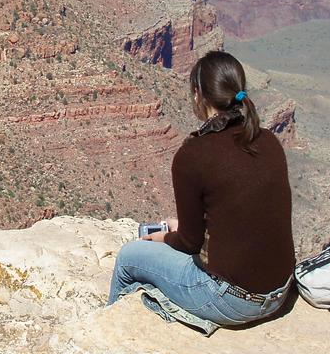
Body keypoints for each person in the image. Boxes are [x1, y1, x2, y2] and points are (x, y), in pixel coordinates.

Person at [107, 50, 295, 335]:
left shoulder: (193, 155)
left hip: (233, 301)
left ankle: (113, 334)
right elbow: (242, 215)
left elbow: (189, 244)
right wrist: (183, 228)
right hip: (280, 293)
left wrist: (163, 237)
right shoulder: (268, 140)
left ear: (198, 95)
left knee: (130, 257)